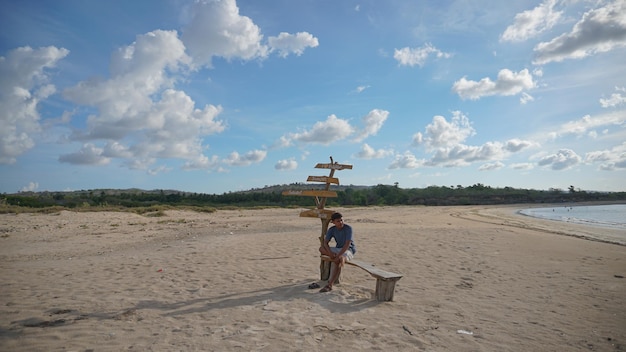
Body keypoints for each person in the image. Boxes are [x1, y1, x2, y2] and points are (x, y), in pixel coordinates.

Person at [318, 212, 356, 292]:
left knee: (339, 260)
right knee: (321, 249)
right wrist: (330, 253)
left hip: (348, 249)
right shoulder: (332, 229)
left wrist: (339, 255)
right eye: (338, 221)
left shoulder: (348, 228)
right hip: (338, 248)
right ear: (333, 222)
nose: (341, 222)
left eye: (341, 220)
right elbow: (325, 243)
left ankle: (330, 284)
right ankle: (335, 256)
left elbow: (347, 244)